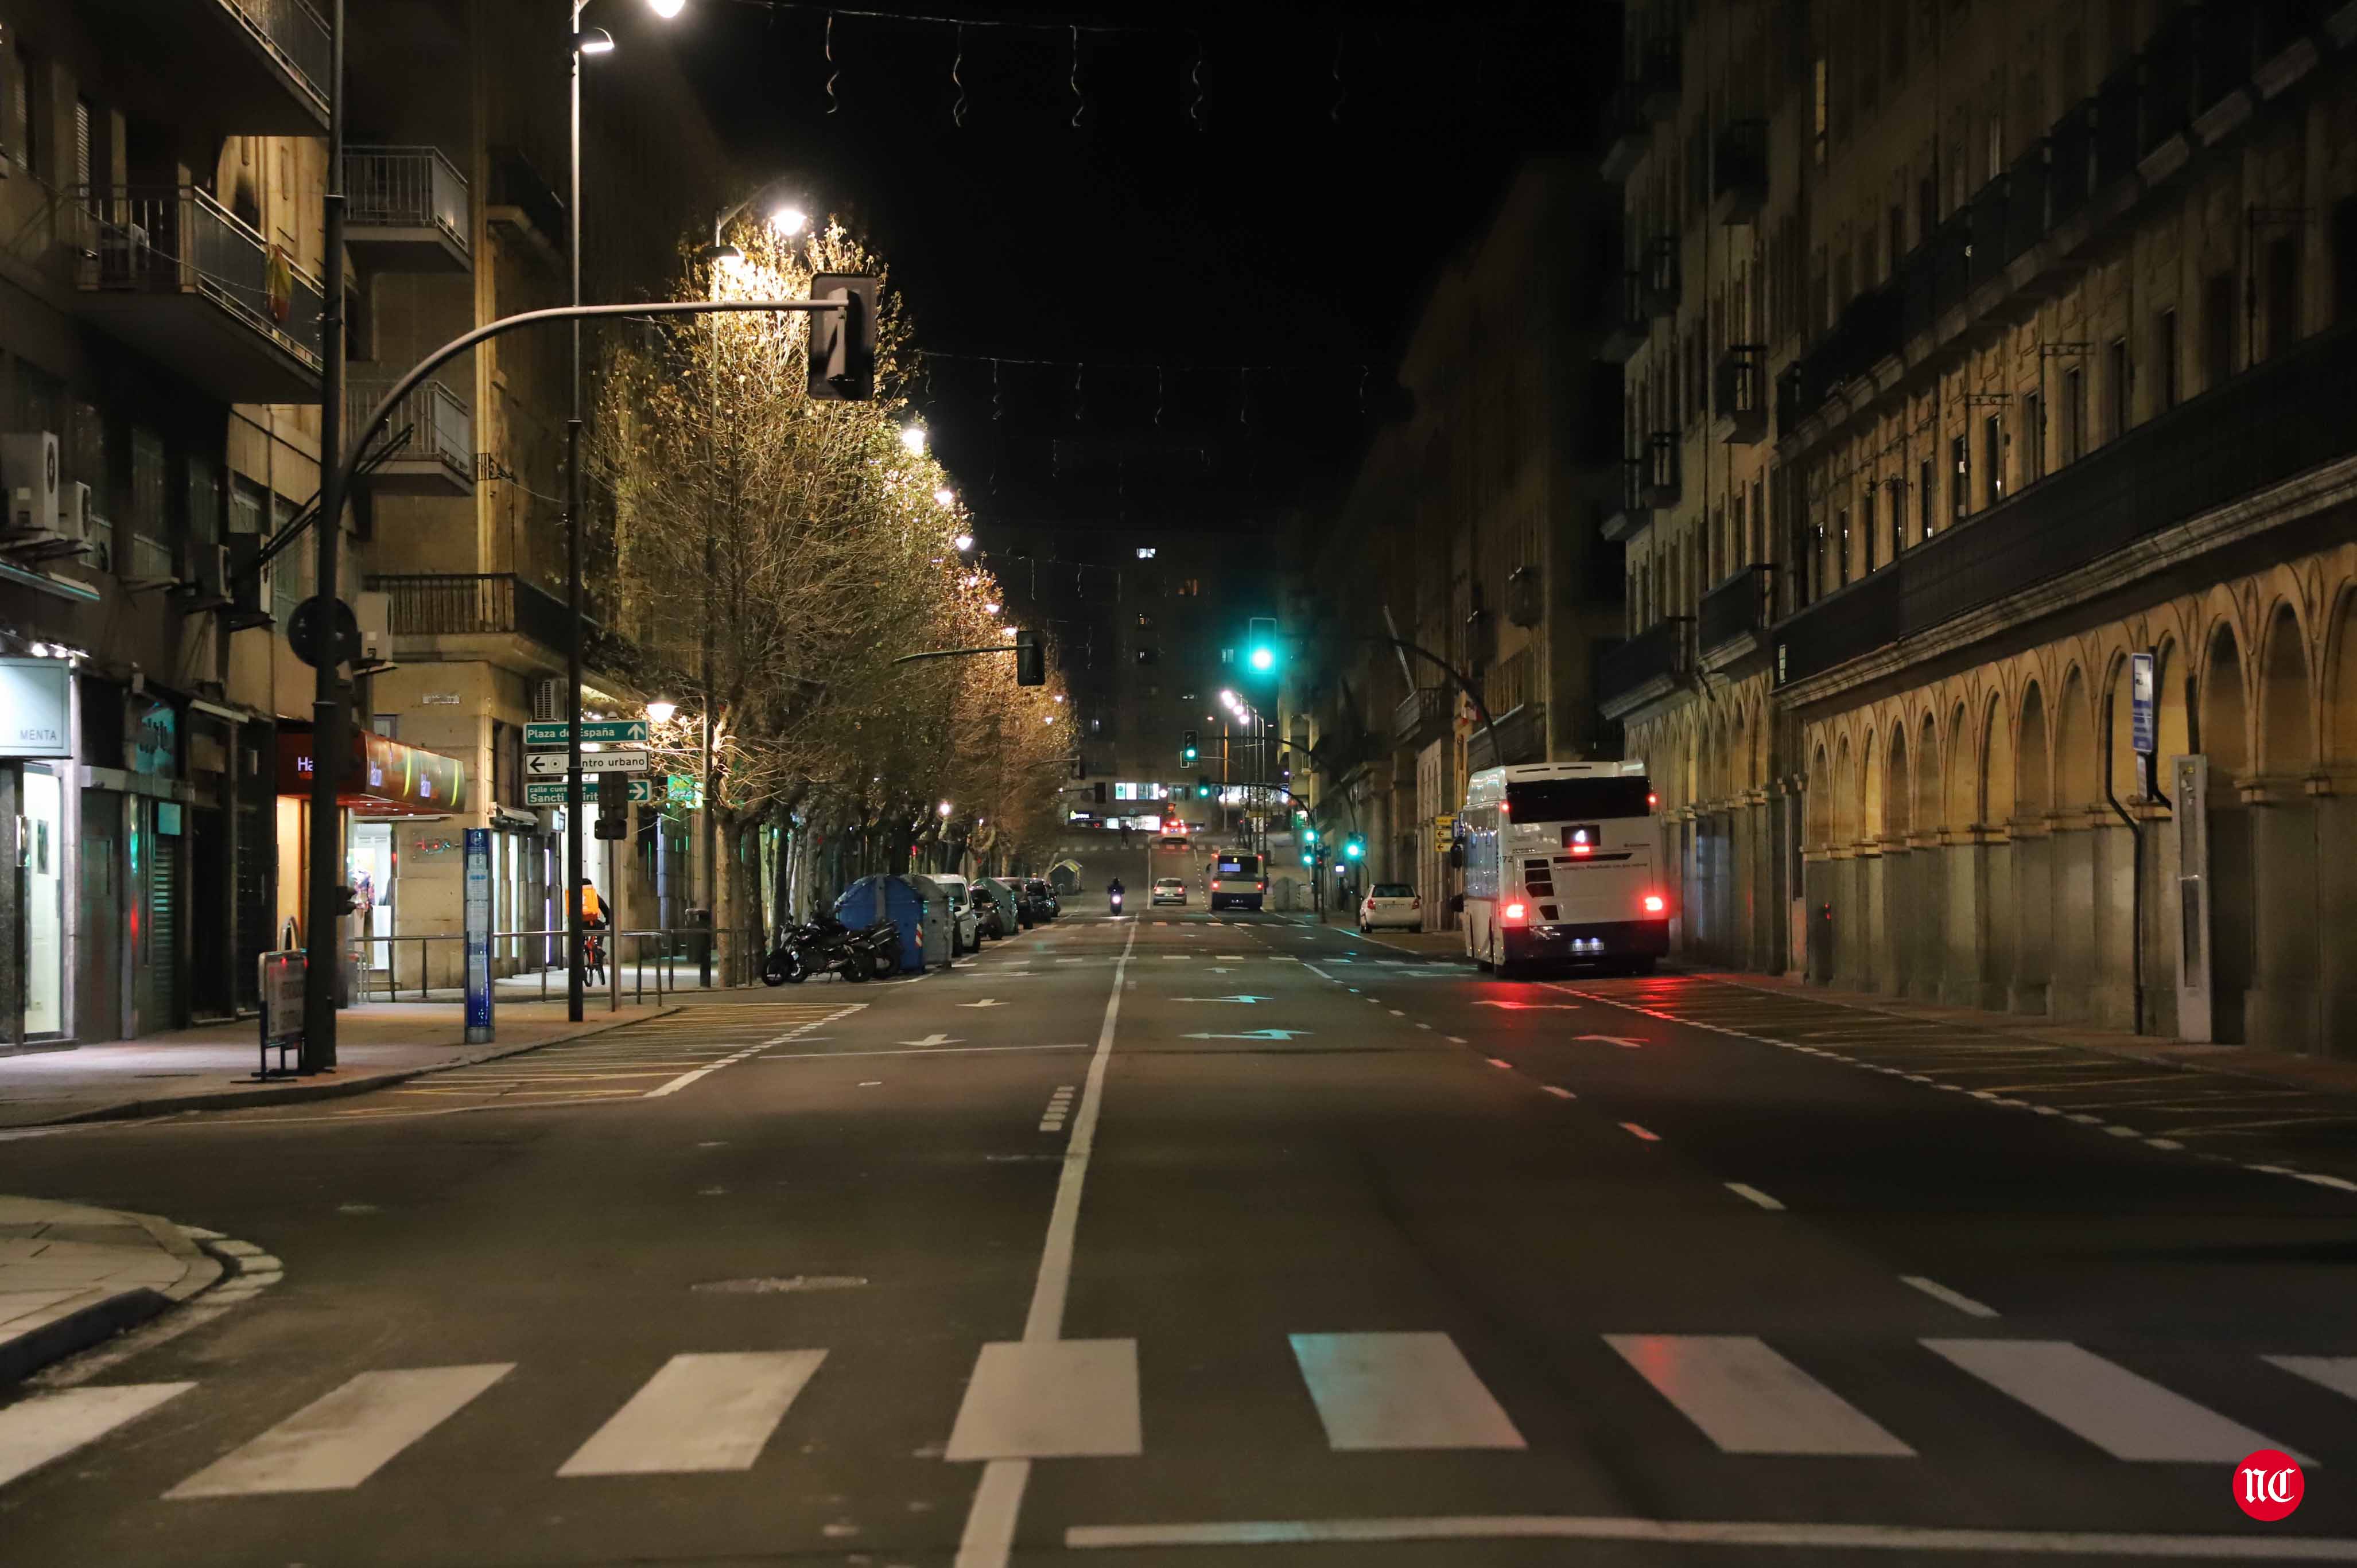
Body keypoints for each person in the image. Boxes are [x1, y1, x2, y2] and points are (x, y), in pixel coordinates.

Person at [577, 877, 608, 985]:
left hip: (579, 926)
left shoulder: (576, 896)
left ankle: (580, 957)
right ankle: (599, 946)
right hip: (593, 924)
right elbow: (606, 909)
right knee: (602, 927)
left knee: (579, 946)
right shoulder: (593, 896)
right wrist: (608, 920)